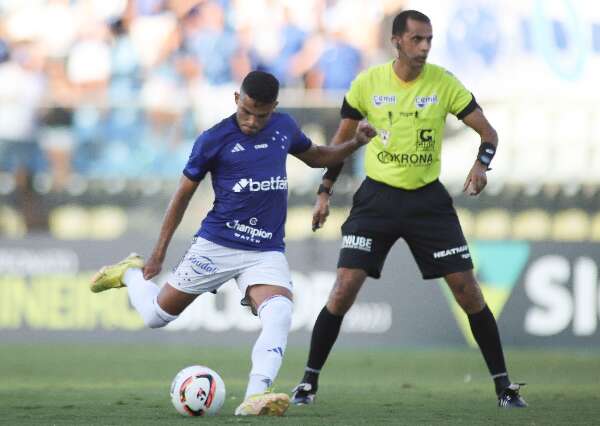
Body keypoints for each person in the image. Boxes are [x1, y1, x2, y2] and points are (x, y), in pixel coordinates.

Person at [90, 70, 376, 416]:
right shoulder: (213, 139)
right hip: (217, 245)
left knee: (280, 312)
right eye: (247, 111)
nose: (254, 121)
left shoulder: (284, 127)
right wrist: (157, 254)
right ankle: (129, 274)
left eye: (262, 114)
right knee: (155, 315)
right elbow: (181, 196)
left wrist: (355, 143)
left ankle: (255, 397)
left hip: (266, 250)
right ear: (236, 99)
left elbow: (318, 157)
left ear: (275, 108)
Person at [291, 10, 527, 408]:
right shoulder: (367, 84)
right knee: (343, 289)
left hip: (427, 202)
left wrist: (481, 165)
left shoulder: (443, 83)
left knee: (468, 292)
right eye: (417, 40)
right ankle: (307, 384)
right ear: (396, 41)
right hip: (377, 199)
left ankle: (504, 388)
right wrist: (325, 191)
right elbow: (339, 141)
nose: (424, 48)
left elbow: (488, 132)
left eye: (429, 40)